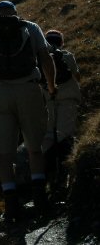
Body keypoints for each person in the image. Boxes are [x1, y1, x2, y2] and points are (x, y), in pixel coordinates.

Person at [0, 1, 57, 221]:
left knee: (4, 153)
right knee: (35, 146)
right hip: (29, 89)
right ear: (15, 13)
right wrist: (51, 85)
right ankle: (39, 197)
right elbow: (46, 58)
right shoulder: (31, 27)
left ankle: (11, 203)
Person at [41, 30, 81, 193]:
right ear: (61, 42)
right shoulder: (67, 55)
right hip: (68, 100)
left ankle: (47, 179)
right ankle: (64, 179)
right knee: (65, 136)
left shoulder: (41, 57)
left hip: (48, 101)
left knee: (49, 137)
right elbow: (77, 76)